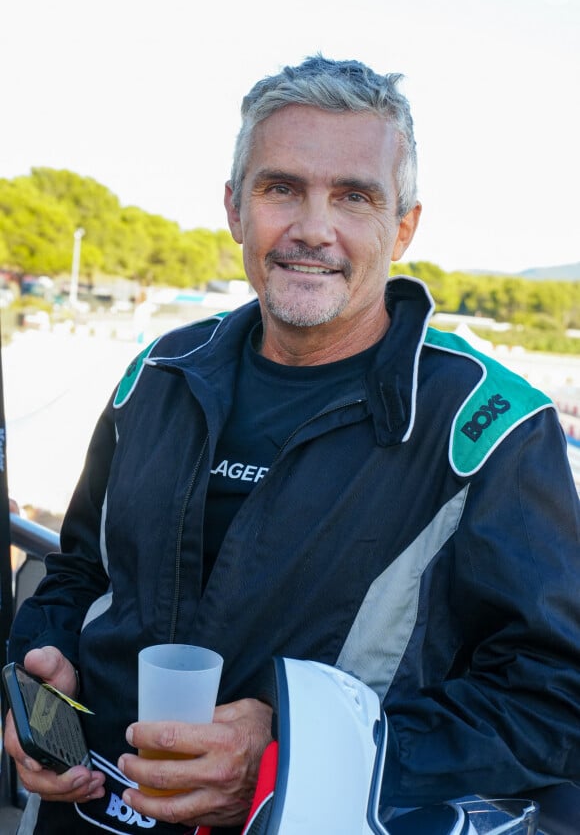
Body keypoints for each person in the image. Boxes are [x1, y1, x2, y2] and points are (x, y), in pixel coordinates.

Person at [5, 55, 580, 834]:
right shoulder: (158, 372)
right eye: (282, 188)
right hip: (89, 813)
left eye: (355, 196)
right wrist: (39, 673)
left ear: (403, 228)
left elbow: (551, 699)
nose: (313, 228)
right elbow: (79, 570)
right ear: (235, 209)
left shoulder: (494, 428)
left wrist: (289, 758)